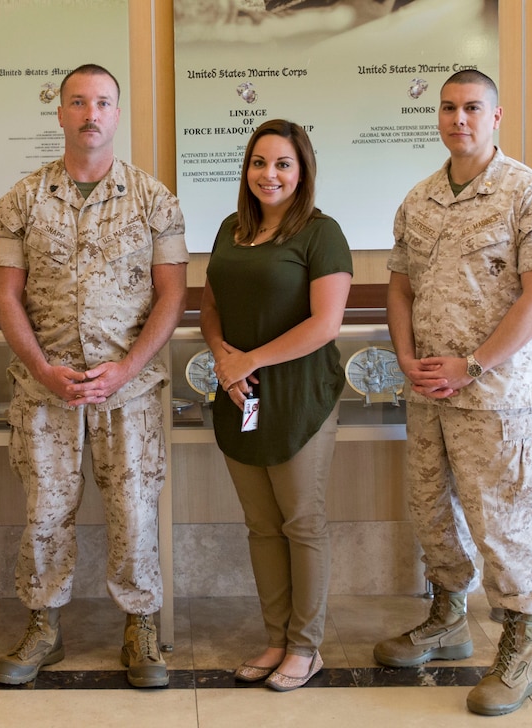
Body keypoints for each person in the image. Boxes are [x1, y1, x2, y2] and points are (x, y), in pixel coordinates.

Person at [372, 69, 532, 716]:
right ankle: (447, 617)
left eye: (471, 108)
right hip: (428, 391)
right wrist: (406, 357)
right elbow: (399, 286)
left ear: (496, 116)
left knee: (503, 522)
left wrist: (473, 365)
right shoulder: (420, 199)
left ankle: (520, 646)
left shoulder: (529, 196)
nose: (458, 118)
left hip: (495, 397)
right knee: (431, 510)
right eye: (448, 108)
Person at [0, 63, 188, 689]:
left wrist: (127, 368)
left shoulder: (155, 199)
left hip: (127, 392)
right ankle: (43, 624)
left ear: (117, 114)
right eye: (78, 102)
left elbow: (172, 296)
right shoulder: (20, 200)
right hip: (45, 392)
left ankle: (141, 628)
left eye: (102, 102)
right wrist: (42, 370)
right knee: (46, 510)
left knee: (133, 509)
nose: (90, 114)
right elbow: (5, 298)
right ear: (60, 113)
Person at [199, 119, 352, 692]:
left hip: (301, 396)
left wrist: (250, 359)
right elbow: (209, 306)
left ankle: (306, 648)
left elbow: (325, 324)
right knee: (262, 526)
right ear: (246, 170)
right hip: (240, 394)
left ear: (302, 170)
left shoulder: (321, 232)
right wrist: (223, 358)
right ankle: (275, 638)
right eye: (259, 162)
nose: (270, 174)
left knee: (301, 522)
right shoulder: (229, 230)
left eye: (283, 163)